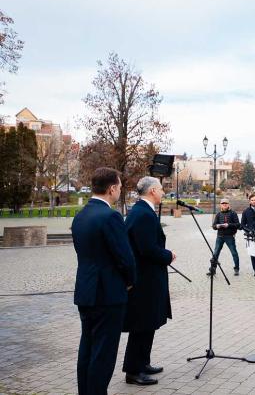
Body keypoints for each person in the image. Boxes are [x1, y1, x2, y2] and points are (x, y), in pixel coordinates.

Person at [72, 167, 137, 395]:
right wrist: (130, 282)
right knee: (103, 354)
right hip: (108, 294)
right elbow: (125, 257)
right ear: (111, 189)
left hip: (86, 291)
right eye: (119, 187)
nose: (120, 191)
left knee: (87, 349)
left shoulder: (81, 215)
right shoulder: (110, 216)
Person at [122, 177, 176, 386]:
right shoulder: (143, 214)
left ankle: (143, 362)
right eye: (161, 189)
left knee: (148, 323)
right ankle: (133, 371)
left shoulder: (142, 211)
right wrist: (167, 255)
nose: (163, 193)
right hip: (144, 280)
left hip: (148, 278)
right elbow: (146, 249)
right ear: (153, 190)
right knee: (142, 324)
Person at [211, 199, 241, 276]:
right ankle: (213, 269)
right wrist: (216, 226)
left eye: (226, 203)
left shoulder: (233, 213)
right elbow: (214, 226)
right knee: (215, 253)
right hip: (220, 236)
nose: (224, 204)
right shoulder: (218, 214)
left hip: (229, 236)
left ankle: (236, 268)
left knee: (234, 253)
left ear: (228, 204)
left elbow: (238, 225)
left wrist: (229, 225)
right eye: (222, 203)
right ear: (220, 205)